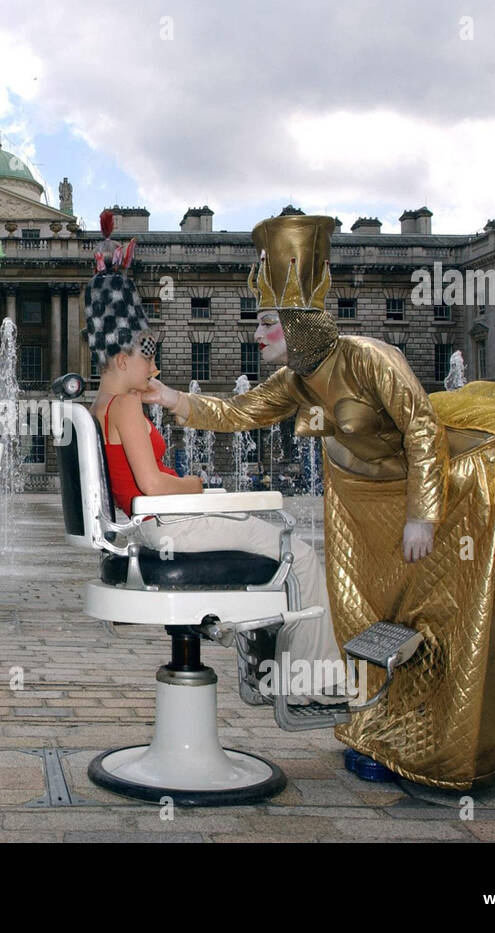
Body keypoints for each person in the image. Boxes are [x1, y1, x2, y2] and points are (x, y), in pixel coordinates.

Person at [144, 214, 495, 791]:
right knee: (375, 613)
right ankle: (385, 732)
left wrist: (422, 515)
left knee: (448, 619)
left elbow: (423, 430)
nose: (255, 337)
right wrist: (174, 397)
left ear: (296, 320)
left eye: (264, 324)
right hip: (374, 496)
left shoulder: (369, 357)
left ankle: (453, 753)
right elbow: (237, 412)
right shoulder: (299, 380)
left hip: (460, 487)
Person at [81, 210, 345, 706]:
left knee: (260, 532)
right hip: (169, 527)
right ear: (121, 359)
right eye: (147, 354)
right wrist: (198, 487)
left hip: (156, 528)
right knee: (301, 557)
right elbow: (154, 488)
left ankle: (262, 647)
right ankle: (313, 686)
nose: (155, 364)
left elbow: (140, 484)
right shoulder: (125, 404)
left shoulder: (100, 406)